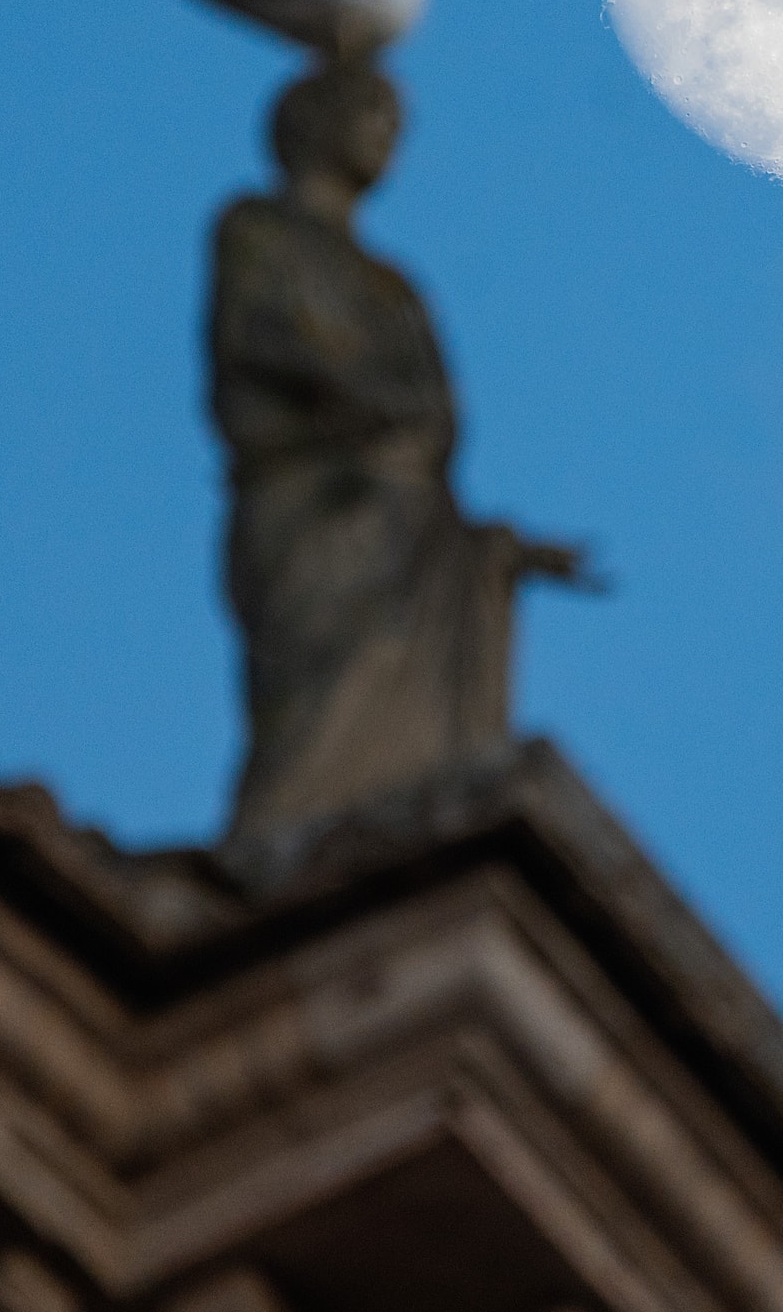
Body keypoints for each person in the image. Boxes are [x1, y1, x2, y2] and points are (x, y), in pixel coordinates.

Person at [207, 55, 589, 866]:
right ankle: (277, 852)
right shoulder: (257, 230)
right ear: (313, 120)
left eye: (395, 122)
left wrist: (496, 548)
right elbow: (255, 337)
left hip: (412, 516)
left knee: (392, 705)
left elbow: (437, 415)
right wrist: (360, 397)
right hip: (312, 503)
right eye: (370, 109)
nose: (386, 133)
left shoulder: (393, 287)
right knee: (315, 697)